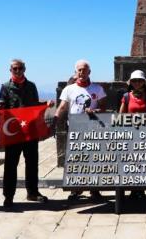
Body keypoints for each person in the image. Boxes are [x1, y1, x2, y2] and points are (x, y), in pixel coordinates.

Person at [0, 59, 48, 208]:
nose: (17, 71)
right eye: (14, 69)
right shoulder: (5, 87)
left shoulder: (31, 86)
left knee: (32, 163)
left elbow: (35, 106)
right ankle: (8, 196)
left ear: (24, 69)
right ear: (10, 70)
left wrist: (45, 105)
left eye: (20, 68)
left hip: (30, 132)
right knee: (10, 165)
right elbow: (2, 106)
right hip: (13, 134)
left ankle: (32, 192)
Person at [56, 59, 107, 202]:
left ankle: (94, 189)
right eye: (79, 70)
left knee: (94, 160)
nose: (81, 72)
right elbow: (62, 107)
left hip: (93, 128)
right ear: (75, 72)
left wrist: (95, 110)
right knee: (76, 161)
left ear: (89, 72)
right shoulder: (69, 89)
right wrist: (55, 118)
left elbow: (103, 107)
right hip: (74, 128)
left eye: (84, 70)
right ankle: (76, 189)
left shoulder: (97, 89)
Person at [119, 70, 146, 199]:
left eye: (139, 80)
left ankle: (141, 188)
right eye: (134, 81)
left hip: (145, 133)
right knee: (132, 162)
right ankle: (133, 188)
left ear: (143, 82)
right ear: (131, 82)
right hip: (130, 133)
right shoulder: (126, 96)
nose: (137, 83)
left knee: (143, 162)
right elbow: (120, 116)